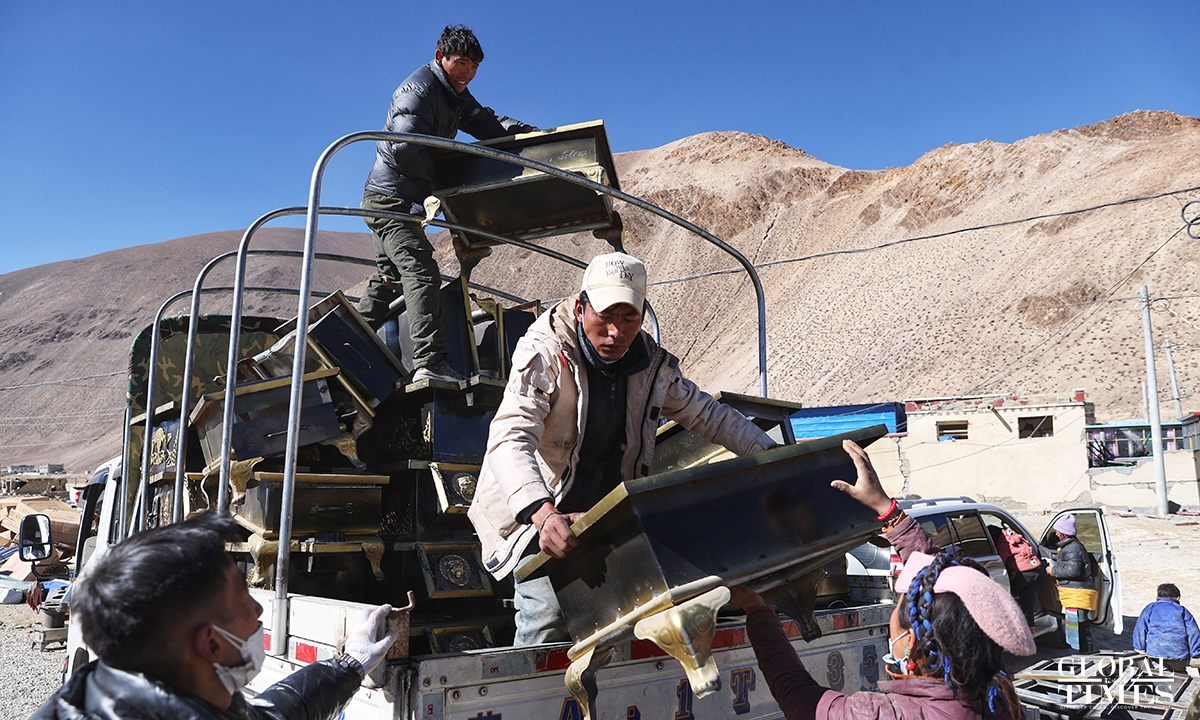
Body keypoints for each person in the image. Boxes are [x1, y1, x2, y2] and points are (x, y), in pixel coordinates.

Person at [468, 251, 776, 645]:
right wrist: (543, 516)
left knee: (624, 618)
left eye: (629, 318)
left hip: (606, 513)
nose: (615, 332)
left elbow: (709, 416)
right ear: (581, 308)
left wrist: (773, 457)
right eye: (605, 316)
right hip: (535, 509)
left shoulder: (650, 365)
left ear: (642, 314)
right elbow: (511, 436)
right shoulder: (544, 351)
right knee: (546, 614)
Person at [728, 440, 1035, 720]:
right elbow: (944, 574)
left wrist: (758, 611)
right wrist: (887, 511)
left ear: (910, 641)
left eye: (900, 607)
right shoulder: (995, 693)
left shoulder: (887, 716)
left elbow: (797, 694)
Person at [32, 512, 398, 719]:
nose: (257, 610)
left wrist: (349, 666)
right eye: (243, 597)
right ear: (210, 643)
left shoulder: (101, 690)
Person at [359, 25, 536, 384]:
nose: (468, 72)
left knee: (391, 280)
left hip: (400, 200)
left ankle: (344, 341)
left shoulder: (455, 93)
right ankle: (429, 361)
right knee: (421, 270)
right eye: (462, 62)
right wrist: (440, 181)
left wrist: (529, 137)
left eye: (474, 66)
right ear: (441, 57)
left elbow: (486, 122)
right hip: (389, 200)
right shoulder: (418, 90)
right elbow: (405, 147)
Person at [1047, 513, 1096, 652]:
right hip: (1076, 592)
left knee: (1080, 628)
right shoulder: (1071, 547)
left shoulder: (1072, 549)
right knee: (1080, 627)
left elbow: (1073, 571)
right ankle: (1084, 653)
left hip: (1077, 593)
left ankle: (1085, 654)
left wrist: (1053, 570)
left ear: (1064, 533)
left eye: (1058, 531)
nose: (1056, 534)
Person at [1132, 583, 1200, 673]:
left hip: (1156, 652)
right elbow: (1193, 632)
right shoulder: (1182, 610)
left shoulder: (1150, 608)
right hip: (1179, 653)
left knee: (1162, 676)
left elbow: (1140, 628)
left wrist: (1139, 647)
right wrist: (1196, 652)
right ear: (1178, 597)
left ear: (1157, 597)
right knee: (1180, 675)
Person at [987, 523, 1043, 627]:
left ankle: (1015, 624)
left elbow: (1001, 561)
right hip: (1035, 570)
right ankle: (1030, 626)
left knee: (1011, 596)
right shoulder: (1016, 537)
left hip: (1023, 574)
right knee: (1027, 600)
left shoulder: (1003, 542)